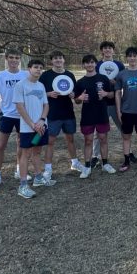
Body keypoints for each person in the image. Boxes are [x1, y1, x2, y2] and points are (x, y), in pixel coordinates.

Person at [0, 48, 30, 191]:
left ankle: (19, 170)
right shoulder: (0, 76)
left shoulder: (26, 74)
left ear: (20, 59)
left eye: (17, 58)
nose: (14, 60)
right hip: (7, 116)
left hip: (22, 116)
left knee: (21, 145)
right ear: (6, 58)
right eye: (11, 57)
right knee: (0, 146)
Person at [12, 59, 54, 199]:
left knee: (37, 152)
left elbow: (46, 105)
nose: (38, 70)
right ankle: (23, 186)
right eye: (36, 67)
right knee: (26, 154)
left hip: (41, 127)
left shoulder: (41, 85)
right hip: (27, 128)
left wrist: (41, 121)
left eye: (41, 68)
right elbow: (20, 107)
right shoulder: (20, 85)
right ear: (29, 68)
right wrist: (32, 124)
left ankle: (38, 178)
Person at [39, 50, 83, 180]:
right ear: (51, 61)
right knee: (50, 141)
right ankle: (48, 169)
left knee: (70, 139)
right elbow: (38, 92)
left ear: (64, 60)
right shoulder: (45, 75)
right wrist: (48, 94)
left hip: (68, 112)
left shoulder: (69, 74)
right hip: (52, 113)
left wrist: (73, 95)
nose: (58, 60)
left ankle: (74, 163)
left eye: (60, 58)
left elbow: (74, 92)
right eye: (55, 58)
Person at [73, 54, 117, 178]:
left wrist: (106, 93)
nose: (89, 64)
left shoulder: (103, 78)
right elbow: (76, 100)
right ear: (83, 65)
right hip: (87, 115)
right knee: (88, 140)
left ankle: (105, 164)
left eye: (92, 62)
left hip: (101, 114)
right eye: (87, 63)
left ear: (96, 64)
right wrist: (79, 98)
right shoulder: (80, 82)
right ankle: (87, 166)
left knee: (103, 138)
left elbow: (112, 95)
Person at [93, 41, 134, 165]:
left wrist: (114, 84)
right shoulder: (97, 65)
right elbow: (94, 81)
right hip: (101, 103)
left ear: (113, 50)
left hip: (116, 102)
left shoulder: (119, 65)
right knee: (97, 131)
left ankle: (129, 152)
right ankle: (95, 156)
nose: (107, 50)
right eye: (105, 48)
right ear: (102, 51)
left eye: (109, 48)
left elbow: (123, 82)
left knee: (124, 128)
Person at [115, 47, 137, 172]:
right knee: (126, 136)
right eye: (130, 56)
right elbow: (118, 93)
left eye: (134, 56)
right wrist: (119, 110)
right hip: (126, 111)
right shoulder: (122, 74)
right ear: (127, 58)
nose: (132, 58)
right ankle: (126, 161)